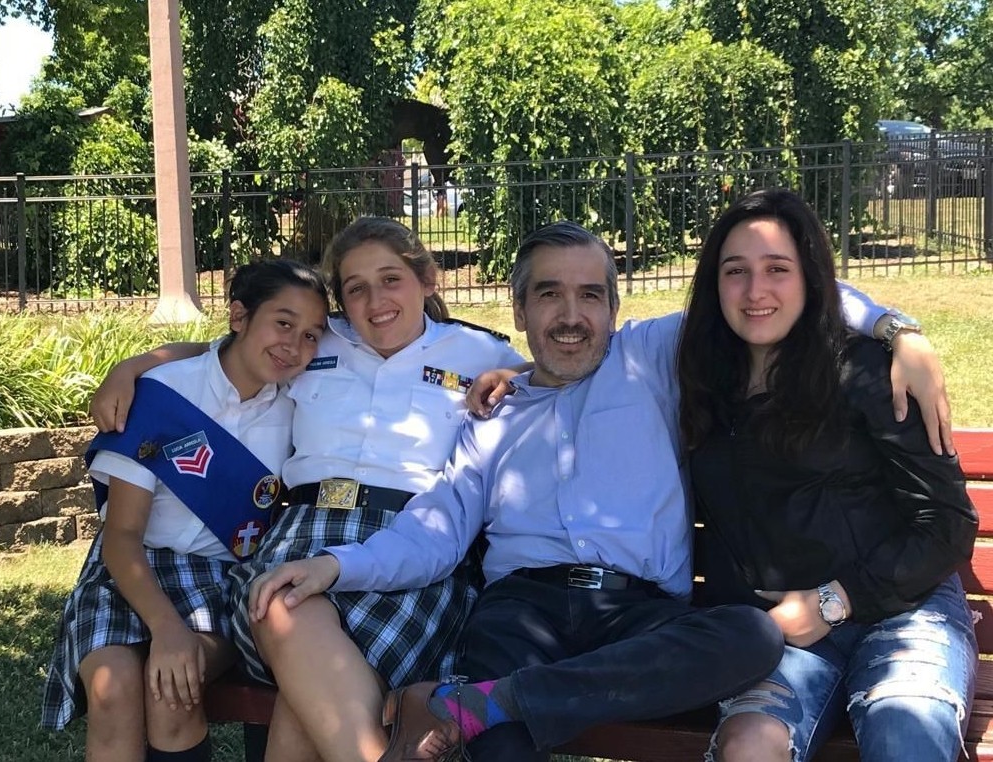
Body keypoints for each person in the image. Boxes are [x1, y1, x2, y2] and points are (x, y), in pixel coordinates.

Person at [248, 220, 950, 762]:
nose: (571, 315)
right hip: (522, 608)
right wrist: (335, 566)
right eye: (549, 294)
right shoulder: (492, 412)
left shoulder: (651, 358)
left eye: (590, 295)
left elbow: (771, 299)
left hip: (638, 612)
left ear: (616, 308)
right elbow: (434, 531)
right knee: (501, 747)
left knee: (747, 634)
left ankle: (493, 702)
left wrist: (899, 331)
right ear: (519, 311)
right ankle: (494, 705)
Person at [89, 217, 525, 762]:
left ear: (427, 280)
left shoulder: (479, 351)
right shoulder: (318, 340)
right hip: (303, 531)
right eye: (355, 287)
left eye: (391, 279)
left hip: (414, 544)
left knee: (303, 698)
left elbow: (542, 381)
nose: (376, 300)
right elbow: (222, 348)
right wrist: (131, 366)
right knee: (281, 606)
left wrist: (512, 375)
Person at [675, 188, 978, 762]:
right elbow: (585, 356)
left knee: (905, 729)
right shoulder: (698, 380)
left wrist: (834, 601)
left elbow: (947, 524)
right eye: (735, 271)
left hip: (901, 608)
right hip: (781, 633)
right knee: (747, 748)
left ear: (812, 280)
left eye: (777, 270)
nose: (755, 290)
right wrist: (511, 372)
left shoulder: (868, 374)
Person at [41, 259, 329, 762]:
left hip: (220, 579)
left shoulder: (299, 405)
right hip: (126, 571)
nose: (294, 345)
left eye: (311, 335)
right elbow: (123, 536)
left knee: (173, 687)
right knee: (115, 688)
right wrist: (168, 629)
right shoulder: (164, 395)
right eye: (283, 323)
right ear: (238, 316)